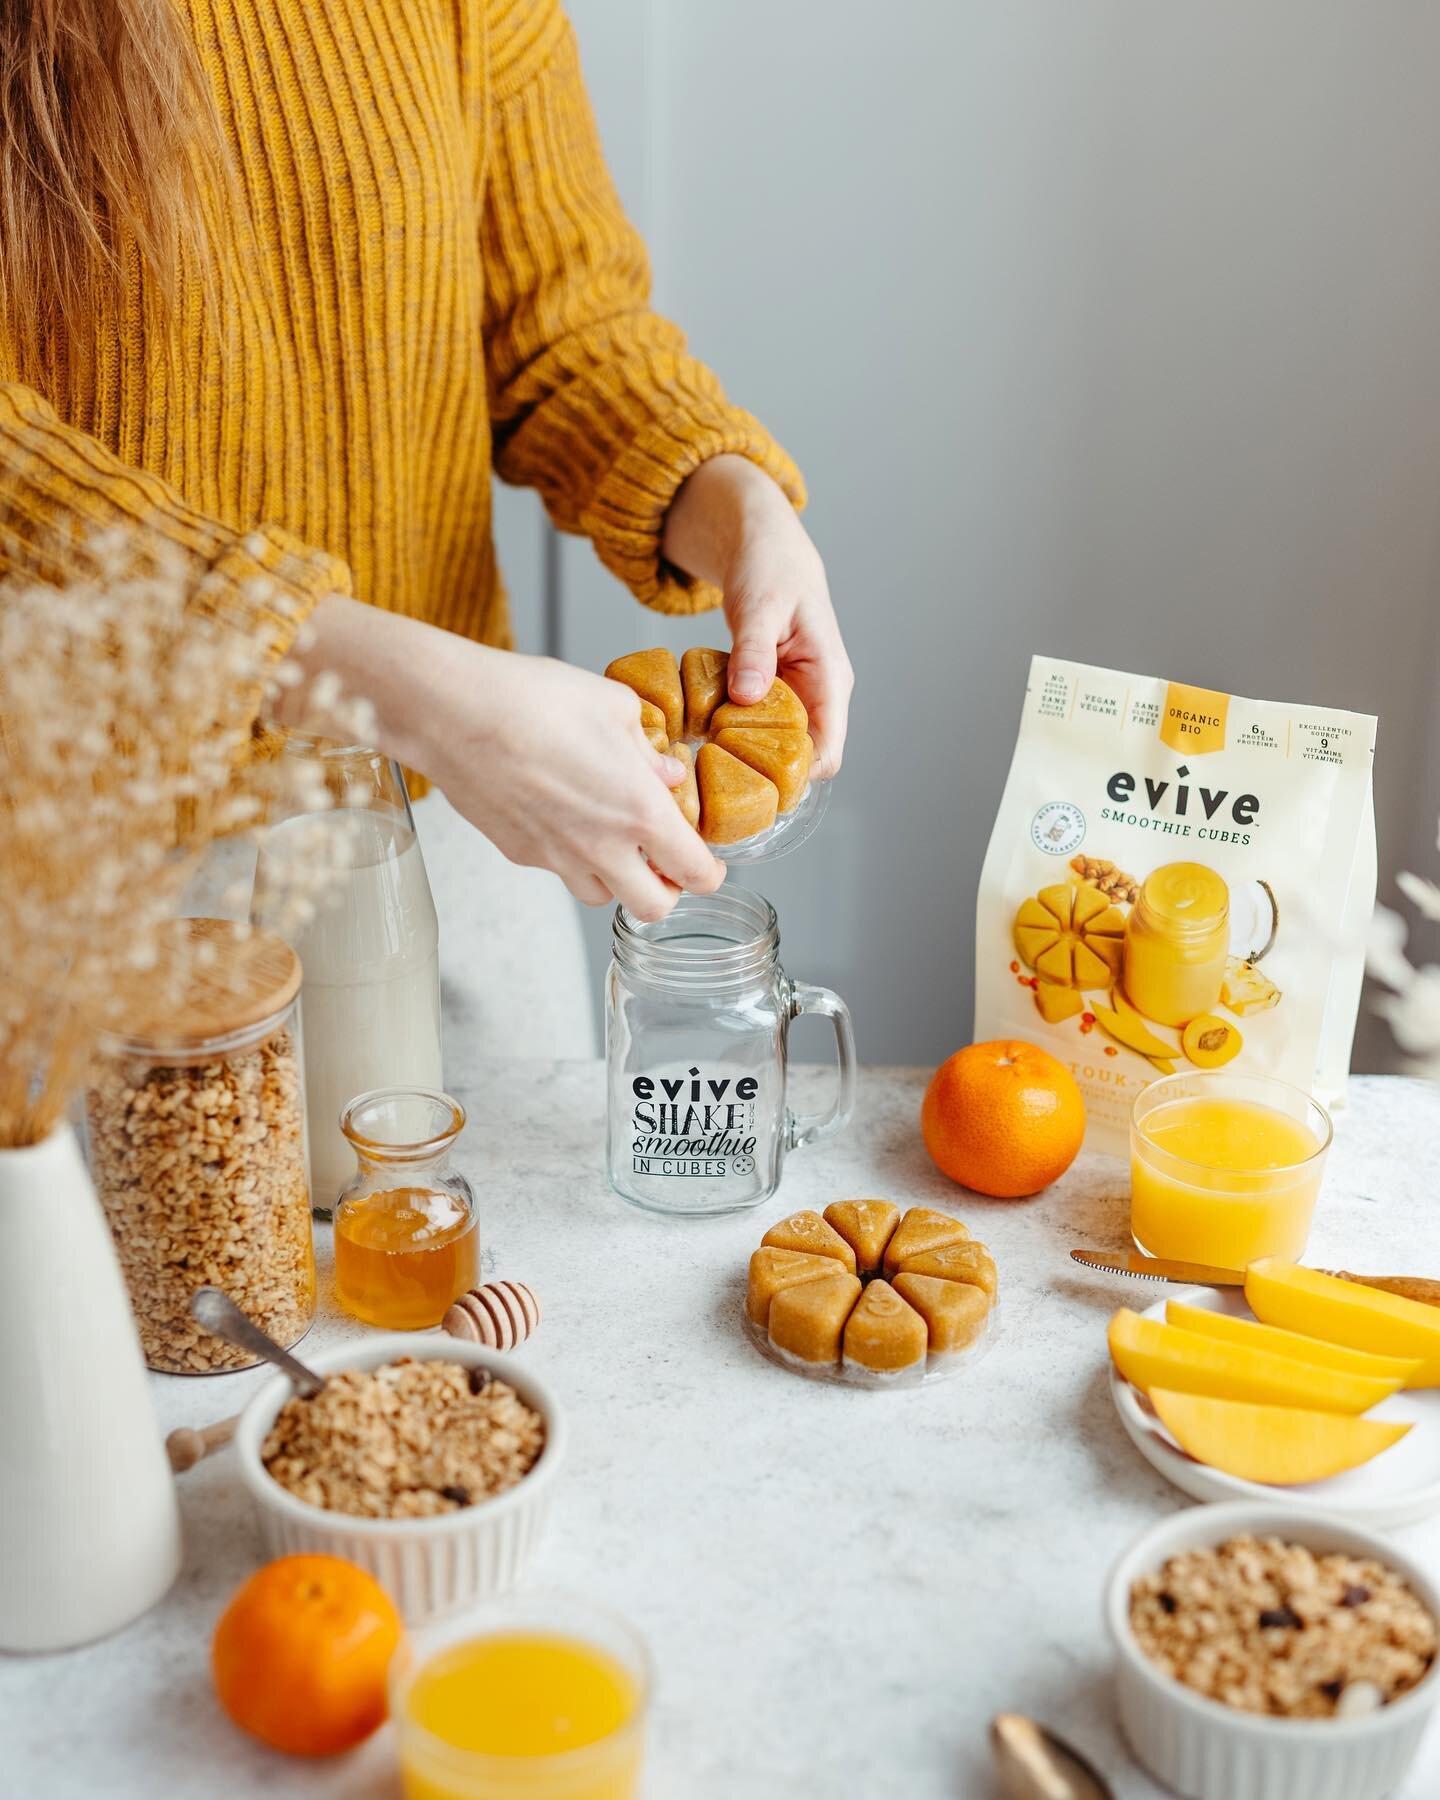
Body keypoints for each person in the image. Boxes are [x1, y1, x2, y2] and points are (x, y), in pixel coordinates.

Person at [0, 0, 852, 927]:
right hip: (74, 874)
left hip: (447, 819)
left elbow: (559, 324)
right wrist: (412, 698)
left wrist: (738, 505)